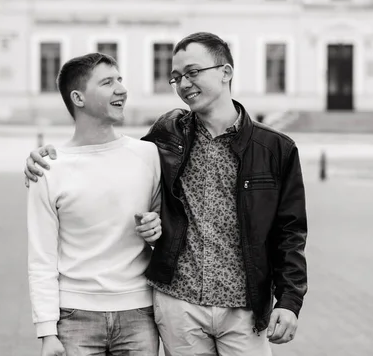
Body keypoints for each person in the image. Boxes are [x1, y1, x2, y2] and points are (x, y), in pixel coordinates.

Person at [25, 32, 308, 356]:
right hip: (179, 307)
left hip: (244, 309)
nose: (183, 83)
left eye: (192, 72)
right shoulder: (168, 134)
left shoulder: (275, 148)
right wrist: (46, 156)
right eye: (176, 77)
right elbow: (103, 148)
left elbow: (290, 231)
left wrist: (289, 300)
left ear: (225, 72)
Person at [26, 52, 163, 356]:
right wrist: (47, 331)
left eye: (120, 80)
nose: (121, 89)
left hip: (139, 312)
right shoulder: (48, 168)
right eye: (107, 82)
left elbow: (166, 236)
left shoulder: (148, 155)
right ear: (78, 97)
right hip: (74, 316)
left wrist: (157, 229)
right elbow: (41, 257)